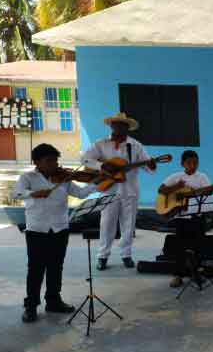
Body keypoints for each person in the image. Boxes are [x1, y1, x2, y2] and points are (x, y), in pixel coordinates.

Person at [13, 143, 96, 323]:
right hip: (37, 229)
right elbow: (17, 193)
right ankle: (31, 306)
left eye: (55, 161)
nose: (54, 165)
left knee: (56, 266)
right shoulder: (28, 177)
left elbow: (81, 193)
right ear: (37, 162)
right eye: (48, 161)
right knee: (35, 269)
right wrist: (34, 194)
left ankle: (53, 301)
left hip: (60, 228)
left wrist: (97, 183)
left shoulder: (63, 178)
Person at [82, 111, 159, 270]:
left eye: (122, 125)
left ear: (127, 127)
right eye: (115, 124)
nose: (118, 127)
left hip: (130, 190)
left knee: (128, 224)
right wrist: (102, 166)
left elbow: (148, 167)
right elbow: (84, 159)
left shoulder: (135, 145)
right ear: (111, 126)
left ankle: (126, 254)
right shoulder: (101, 144)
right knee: (107, 223)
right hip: (108, 189)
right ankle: (103, 256)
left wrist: (151, 164)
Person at [158, 150, 213, 286]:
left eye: (195, 163)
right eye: (189, 163)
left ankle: (197, 274)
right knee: (180, 247)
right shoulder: (176, 176)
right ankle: (178, 275)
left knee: (198, 246)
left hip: (196, 217)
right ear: (182, 164)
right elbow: (161, 190)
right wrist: (177, 187)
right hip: (180, 217)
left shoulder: (202, 177)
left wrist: (198, 192)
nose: (193, 165)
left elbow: (209, 190)